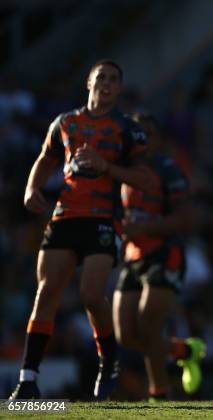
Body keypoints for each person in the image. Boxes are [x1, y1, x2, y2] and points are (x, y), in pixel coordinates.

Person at [10, 59, 151, 400]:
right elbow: (46, 158)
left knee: (90, 294)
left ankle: (109, 358)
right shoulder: (66, 122)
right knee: (47, 291)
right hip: (65, 214)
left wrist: (107, 166)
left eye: (114, 79)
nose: (107, 83)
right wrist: (32, 188)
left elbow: (145, 178)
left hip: (103, 218)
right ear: (88, 83)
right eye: (101, 77)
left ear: (118, 89)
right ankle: (27, 380)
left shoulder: (127, 130)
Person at [112, 113, 205, 401]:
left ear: (158, 139)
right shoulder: (123, 170)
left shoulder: (168, 171)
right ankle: (185, 351)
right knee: (125, 335)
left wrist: (145, 227)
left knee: (148, 324)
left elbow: (187, 219)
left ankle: (159, 395)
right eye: (137, 134)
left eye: (148, 134)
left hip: (165, 253)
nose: (143, 140)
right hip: (133, 255)